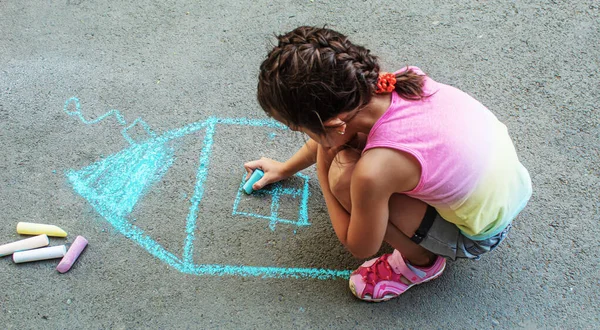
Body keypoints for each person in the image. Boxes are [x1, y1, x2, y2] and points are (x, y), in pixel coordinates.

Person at [244, 26, 532, 302]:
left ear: (332, 124)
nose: (304, 136)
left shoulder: (376, 171)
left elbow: (358, 245)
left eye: (300, 129)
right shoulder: (392, 83)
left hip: (481, 234)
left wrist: (323, 170)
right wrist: (285, 167)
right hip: (509, 191)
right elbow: (334, 135)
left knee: (345, 178)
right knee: (352, 150)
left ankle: (421, 262)